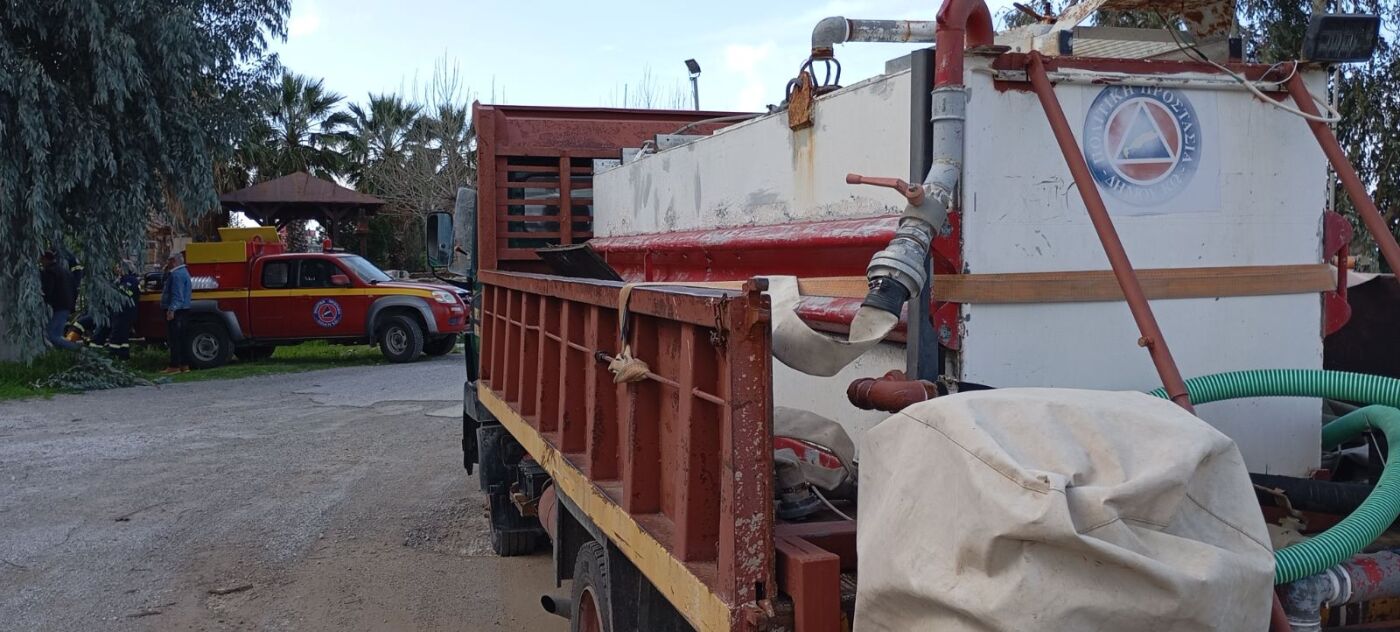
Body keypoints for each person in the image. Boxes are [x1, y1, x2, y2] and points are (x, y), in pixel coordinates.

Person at [91, 260, 140, 359]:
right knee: (122, 338)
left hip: (124, 313)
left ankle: (114, 357)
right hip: (119, 313)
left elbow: (123, 295)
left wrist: (112, 289)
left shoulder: (130, 280)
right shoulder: (121, 279)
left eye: (119, 267)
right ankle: (123, 357)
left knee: (116, 337)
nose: (117, 269)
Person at [40, 251, 80, 351]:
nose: (41, 263)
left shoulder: (49, 272)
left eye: (42, 260)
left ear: (45, 259)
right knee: (56, 334)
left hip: (58, 306)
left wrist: (44, 301)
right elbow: (75, 289)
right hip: (66, 307)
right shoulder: (66, 272)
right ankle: (64, 353)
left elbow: (48, 290)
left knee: (52, 336)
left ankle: (78, 349)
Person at [160, 252, 192, 373]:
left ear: (173, 261)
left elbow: (177, 296)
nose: (167, 263)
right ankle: (184, 364)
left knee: (174, 339)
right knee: (182, 338)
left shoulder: (176, 275)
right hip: (184, 309)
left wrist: (171, 309)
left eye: (168, 260)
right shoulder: (184, 272)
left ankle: (174, 365)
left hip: (177, 311)